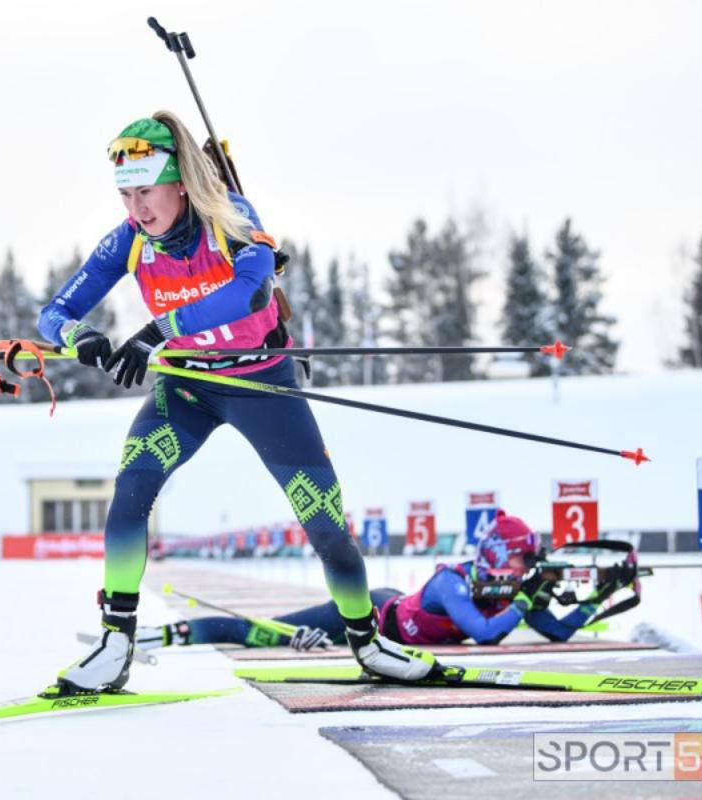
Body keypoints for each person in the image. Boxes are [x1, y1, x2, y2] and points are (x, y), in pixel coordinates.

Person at [37, 112, 434, 695]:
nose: (136, 209)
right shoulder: (129, 241)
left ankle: (369, 645)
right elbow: (53, 314)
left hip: (263, 386)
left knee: (326, 527)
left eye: (146, 191)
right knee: (129, 493)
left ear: (179, 183)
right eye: (125, 194)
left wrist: (158, 329)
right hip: (189, 388)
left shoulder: (230, 218)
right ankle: (115, 643)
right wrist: (81, 338)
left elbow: (251, 292)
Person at [134, 511, 633, 651]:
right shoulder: (452, 584)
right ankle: (170, 633)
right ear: (502, 558)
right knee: (264, 632)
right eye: (525, 561)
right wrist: (526, 600)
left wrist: (603, 596)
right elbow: (486, 635)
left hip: (395, 623)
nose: (529, 569)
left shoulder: (509, 592)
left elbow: (561, 632)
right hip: (375, 613)